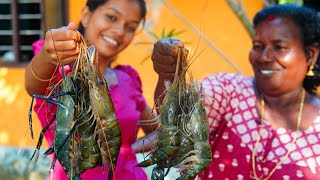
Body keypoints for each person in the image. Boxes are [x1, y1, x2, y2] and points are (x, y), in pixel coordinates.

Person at [151, 4, 320, 179]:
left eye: (280, 47)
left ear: (310, 55)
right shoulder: (229, 90)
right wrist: (170, 74)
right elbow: (180, 119)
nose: (264, 56)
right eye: (258, 46)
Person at [24, 0, 158, 179]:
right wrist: (48, 57)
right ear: (86, 16)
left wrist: (126, 149)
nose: (119, 31)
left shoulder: (127, 79)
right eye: (111, 17)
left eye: (130, 27)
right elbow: (33, 85)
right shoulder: (57, 72)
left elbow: (160, 132)